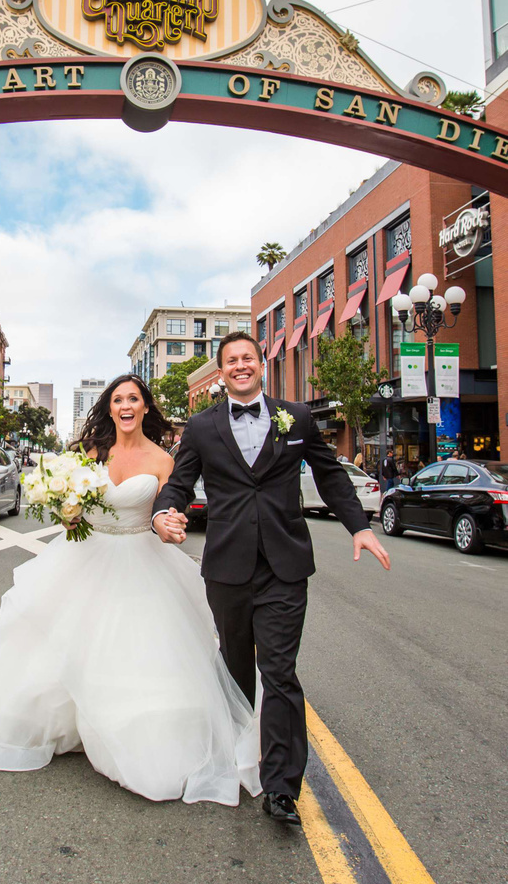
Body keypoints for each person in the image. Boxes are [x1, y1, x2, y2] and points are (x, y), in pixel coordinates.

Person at [0, 374, 261, 807]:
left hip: (143, 559)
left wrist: (171, 526)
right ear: (110, 408)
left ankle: (133, 732)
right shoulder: (88, 453)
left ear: (144, 408)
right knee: (66, 643)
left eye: (133, 399)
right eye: (118, 399)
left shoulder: (163, 461)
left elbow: (168, 510)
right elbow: (71, 506)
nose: (125, 405)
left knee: (139, 651)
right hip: (84, 555)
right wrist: (67, 513)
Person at [153, 332, 390, 825]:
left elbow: (330, 475)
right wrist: (162, 515)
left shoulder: (297, 418)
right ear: (221, 373)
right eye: (231, 361)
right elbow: (178, 482)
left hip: (285, 567)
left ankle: (282, 788)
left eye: (248, 358)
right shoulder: (200, 426)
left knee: (279, 673)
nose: (241, 366)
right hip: (228, 569)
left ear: (262, 365)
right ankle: (232, 758)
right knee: (235, 666)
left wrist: (361, 527)